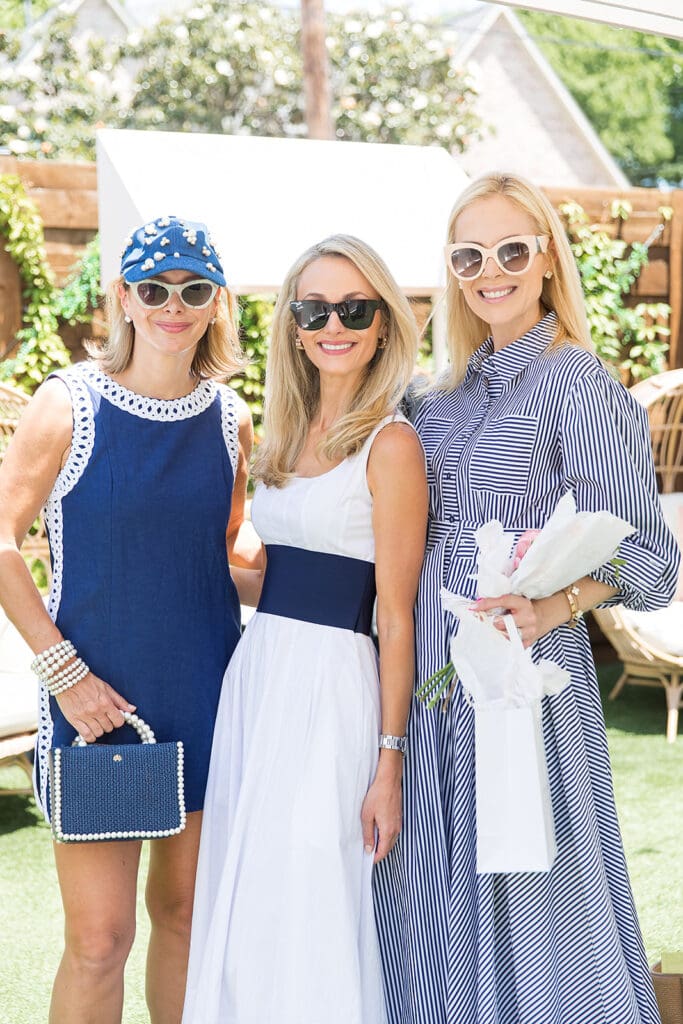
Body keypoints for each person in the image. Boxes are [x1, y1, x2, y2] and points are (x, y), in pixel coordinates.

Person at [373, 173, 680, 1024]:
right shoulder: (430, 396)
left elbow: (653, 561)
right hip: (429, 682)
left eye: (512, 249)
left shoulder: (579, 383)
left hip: (525, 681)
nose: (489, 270)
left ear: (547, 257)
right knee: (428, 890)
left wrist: (550, 608)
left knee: (534, 903)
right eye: (468, 255)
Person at [0, 215, 260, 1024]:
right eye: (154, 288)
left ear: (216, 301)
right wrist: (64, 675)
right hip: (100, 713)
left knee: (184, 920)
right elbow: (3, 542)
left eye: (193, 289)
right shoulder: (68, 404)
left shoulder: (231, 420)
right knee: (100, 941)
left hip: (208, 697)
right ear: (124, 296)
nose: (172, 305)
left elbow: (225, 548)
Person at [182, 234, 428, 1023]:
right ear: (291, 324)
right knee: (249, 884)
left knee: (314, 893)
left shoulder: (389, 444)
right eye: (314, 308)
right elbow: (279, 579)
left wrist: (388, 763)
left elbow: (393, 614)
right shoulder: (283, 436)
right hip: (259, 680)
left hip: (333, 694)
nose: (334, 324)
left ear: (384, 323)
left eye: (354, 308)